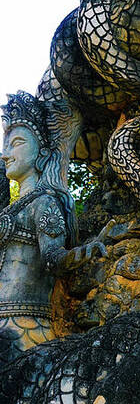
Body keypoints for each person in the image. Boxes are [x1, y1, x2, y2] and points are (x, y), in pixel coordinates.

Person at [0, 92, 105, 366]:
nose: (6, 154)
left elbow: (53, 258)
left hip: (25, 327)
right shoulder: (10, 210)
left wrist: (81, 253)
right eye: (5, 145)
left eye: (17, 143)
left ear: (43, 153)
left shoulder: (44, 203)